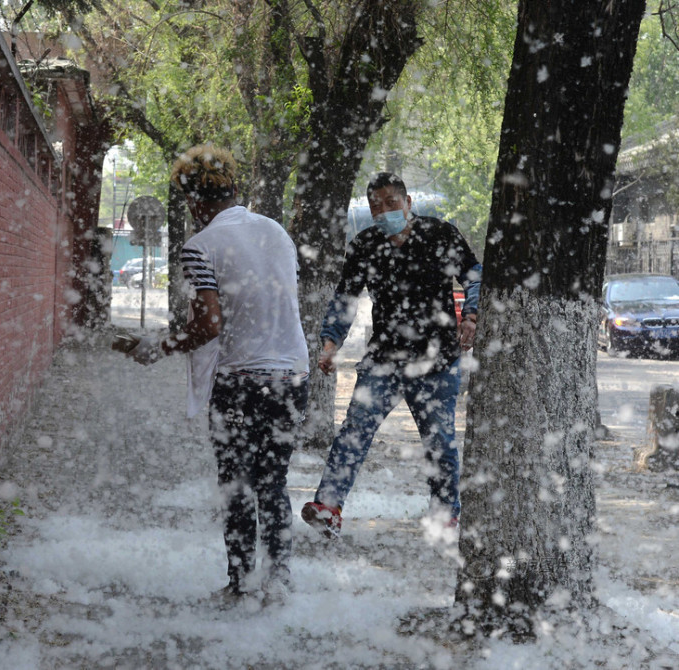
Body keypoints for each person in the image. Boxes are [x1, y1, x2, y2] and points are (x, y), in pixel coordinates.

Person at [125, 145, 310, 607]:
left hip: (242, 382)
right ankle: (278, 582)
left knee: (237, 484)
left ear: (193, 203)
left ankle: (239, 585)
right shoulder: (276, 231)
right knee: (273, 481)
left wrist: (160, 347)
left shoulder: (200, 245)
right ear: (234, 189)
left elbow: (209, 325)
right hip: (292, 377)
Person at [301, 172, 482, 539]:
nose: (384, 211)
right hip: (384, 359)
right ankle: (328, 507)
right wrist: (330, 342)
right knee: (353, 432)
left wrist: (473, 316)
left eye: (390, 203)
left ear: (407, 202)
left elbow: (475, 276)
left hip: (437, 360)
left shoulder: (440, 235)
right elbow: (345, 298)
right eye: (376, 206)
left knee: (440, 442)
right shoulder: (366, 244)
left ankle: (445, 515)